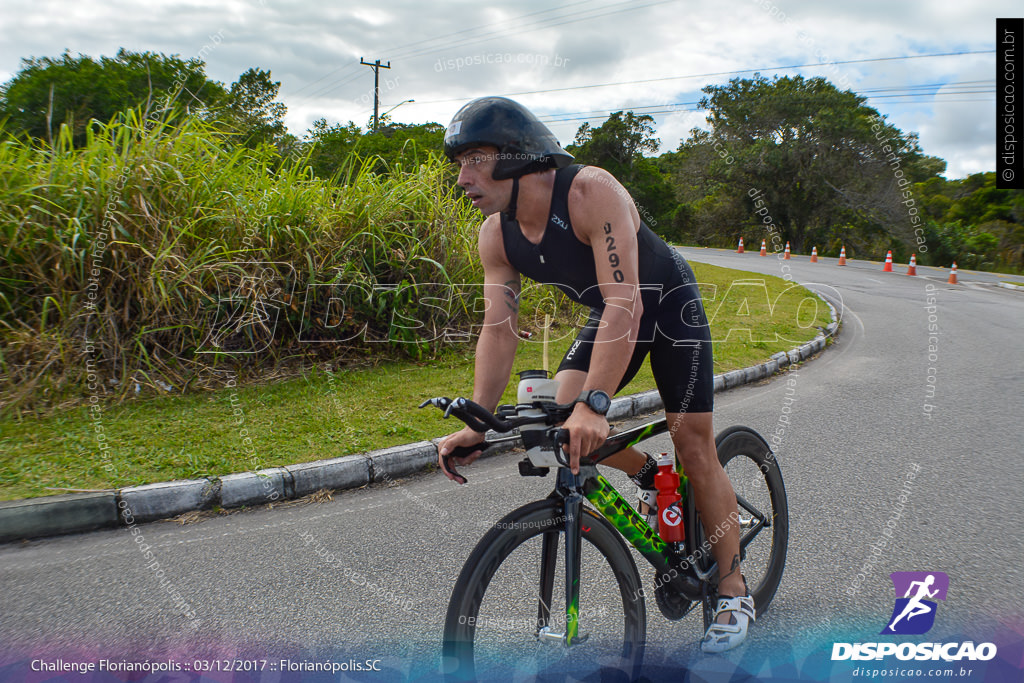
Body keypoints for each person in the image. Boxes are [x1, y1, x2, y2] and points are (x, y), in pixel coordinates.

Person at [435, 96, 753, 653]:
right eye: (457, 163)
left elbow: (627, 302)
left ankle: (732, 587)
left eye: (475, 159)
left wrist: (597, 403)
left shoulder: (590, 191)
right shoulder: (495, 234)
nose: (462, 177)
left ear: (517, 157)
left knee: (693, 444)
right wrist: (479, 422)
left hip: (666, 306)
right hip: (611, 314)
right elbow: (498, 328)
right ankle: (652, 478)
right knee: (561, 419)